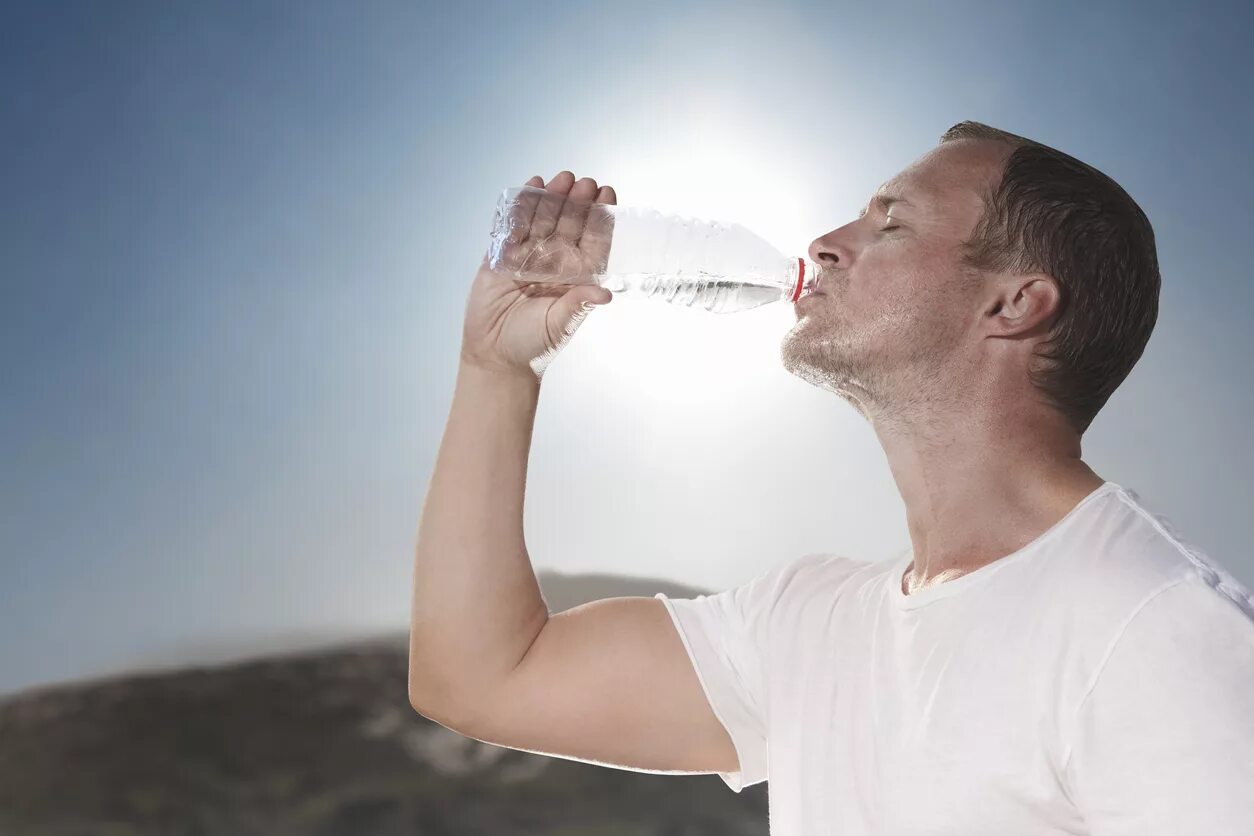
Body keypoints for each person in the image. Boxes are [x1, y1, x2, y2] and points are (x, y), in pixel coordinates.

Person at [408, 121, 1254, 834]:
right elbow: (484, 677)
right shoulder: (808, 624)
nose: (824, 244)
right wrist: (495, 371)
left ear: (1014, 303)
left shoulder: (1158, 633)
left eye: (891, 224)